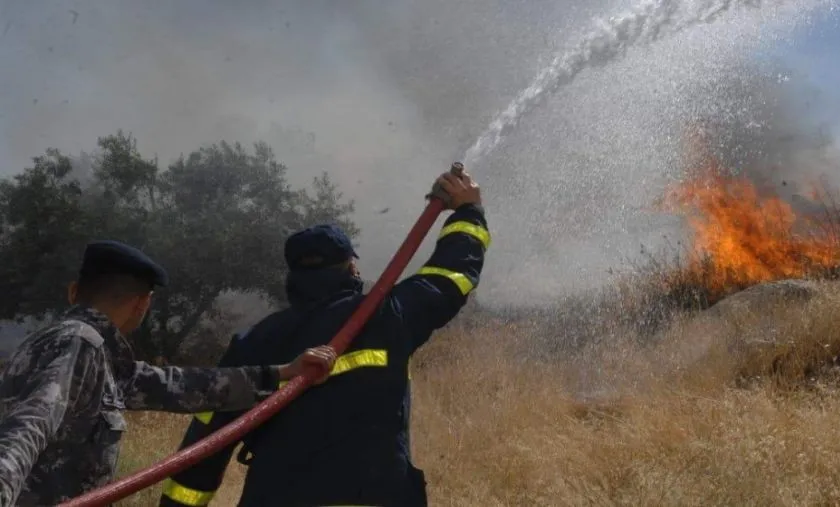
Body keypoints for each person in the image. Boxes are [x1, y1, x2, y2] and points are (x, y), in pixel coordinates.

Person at [157, 168, 489, 507]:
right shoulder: (386, 316)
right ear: (351, 268)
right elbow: (451, 276)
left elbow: (204, 448)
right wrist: (468, 212)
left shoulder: (252, 343)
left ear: (294, 277)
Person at [0, 240, 338, 506]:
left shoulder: (87, 353)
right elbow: (31, 423)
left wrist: (281, 373)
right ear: (142, 304)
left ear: (74, 292)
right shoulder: (80, 343)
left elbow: (178, 385)